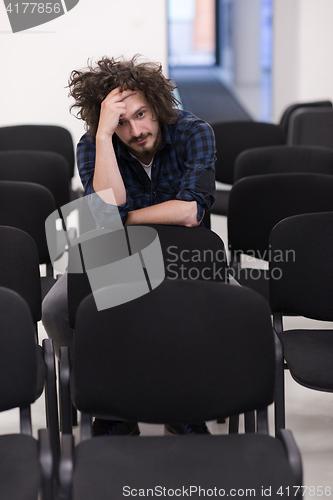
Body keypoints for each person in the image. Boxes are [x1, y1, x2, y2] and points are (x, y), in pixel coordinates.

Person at [42, 54, 216, 437]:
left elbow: (190, 213)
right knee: (59, 309)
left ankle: (183, 401)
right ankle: (111, 403)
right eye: (120, 122)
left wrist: (121, 219)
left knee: (225, 306)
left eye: (140, 114)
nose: (135, 130)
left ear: (157, 105)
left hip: (182, 255)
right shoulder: (94, 145)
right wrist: (103, 137)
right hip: (114, 257)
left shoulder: (194, 132)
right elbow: (107, 207)